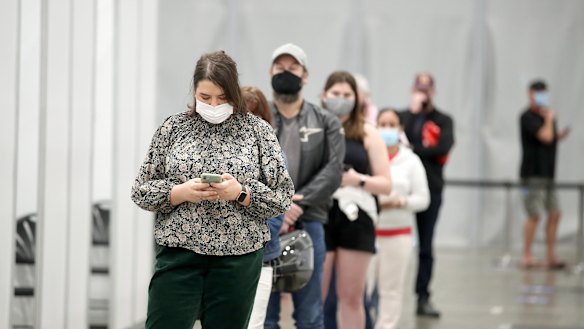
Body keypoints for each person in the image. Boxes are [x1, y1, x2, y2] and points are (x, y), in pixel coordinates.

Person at [130, 51, 294, 329]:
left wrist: (241, 193)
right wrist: (178, 192)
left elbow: (282, 196)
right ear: (194, 91)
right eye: (205, 98)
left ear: (235, 94)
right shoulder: (173, 128)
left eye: (222, 98)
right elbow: (141, 189)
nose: (214, 105)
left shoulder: (258, 132)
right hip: (178, 253)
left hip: (238, 258)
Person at [265, 43, 345, 329]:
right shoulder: (257, 120)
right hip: (265, 226)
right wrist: (277, 207)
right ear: (270, 72)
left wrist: (297, 203)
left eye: (293, 68)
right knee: (264, 314)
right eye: (280, 68)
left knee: (310, 316)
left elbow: (334, 170)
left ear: (305, 75)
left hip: (309, 221)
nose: (286, 73)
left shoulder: (326, 121)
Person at [320, 71, 392, 328]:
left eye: (347, 95)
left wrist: (358, 180)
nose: (341, 99)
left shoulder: (368, 133)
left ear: (357, 99)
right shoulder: (314, 128)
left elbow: (386, 184)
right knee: (315, 296)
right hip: (320, 213)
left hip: (356, 216)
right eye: (336, 94)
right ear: (324, 96)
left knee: (351, 297)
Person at [368, 108, 430, 329]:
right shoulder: (367, 157)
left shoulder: (411, 161)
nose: (387, 129)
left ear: (400, 129)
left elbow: (423, 199)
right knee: (361, 291)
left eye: (391, 124)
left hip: (398, 236)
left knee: (391, 291)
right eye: (382, 124)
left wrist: (402, 202)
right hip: (367, 235)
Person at [398, 72, 454, 318]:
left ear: (433, 92)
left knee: (426, 246)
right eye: (419, 90)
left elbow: (442, 148)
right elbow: (396, 142)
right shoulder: (403, 117)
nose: (422, 94)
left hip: (430, 188)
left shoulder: (443, 120)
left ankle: (423, 296)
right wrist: (412, 115)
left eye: (427, 91)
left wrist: (413, 149)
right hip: (401, 187)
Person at [240, 86, 285, 329]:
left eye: (252, 117)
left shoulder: (274, 155)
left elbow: (276, 212)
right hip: (222, 260)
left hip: (260, 258)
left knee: (254, 324)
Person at [519, 79, 569, 270]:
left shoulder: (547, 116)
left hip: (549, 173)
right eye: (537, 93)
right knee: (534, 214)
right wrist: (549, 120)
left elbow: (551, 139)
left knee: (555, 213)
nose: (541, 97)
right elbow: (545, 136)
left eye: (544, 93)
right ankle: (527, 255)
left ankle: (551, 255)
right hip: (533, 173)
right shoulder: (527, 117)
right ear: (530, 94)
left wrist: (558, 134)